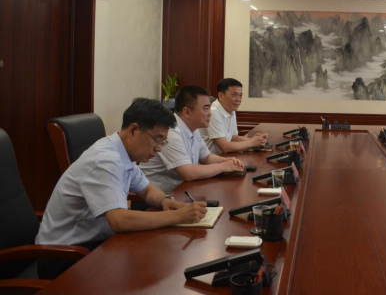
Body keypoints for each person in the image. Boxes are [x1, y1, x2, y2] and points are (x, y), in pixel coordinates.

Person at [36, 98, 208, 279]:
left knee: (160, 260)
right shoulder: (105, 160)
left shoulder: (124, 153)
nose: (159, 149)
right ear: (133, 130)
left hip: (96, 242)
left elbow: (147, 190)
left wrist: (165, 201)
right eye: (156, 139)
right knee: (152, 268)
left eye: (163, 142)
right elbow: (119, 220)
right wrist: (178, 216)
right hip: (64, 255)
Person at [141, 86, 245, 192]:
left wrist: (228, 161)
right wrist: (223, 166)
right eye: (206, 108)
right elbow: (189, 173)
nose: (210, 114)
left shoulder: (193, 129)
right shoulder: (171, 132)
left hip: (182, 190)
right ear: (187, 112)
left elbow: (206, 157)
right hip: (155, 196)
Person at [199, 78, 268, 154]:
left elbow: (234, 138)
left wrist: (256, 140)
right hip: (210, 159)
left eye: (240, 95)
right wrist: (252, 142)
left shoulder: (231, 110)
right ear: (221, 96)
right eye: (234, 95)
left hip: (223, 157)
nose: (238, 99)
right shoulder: (213, 112)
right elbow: (225, 147)